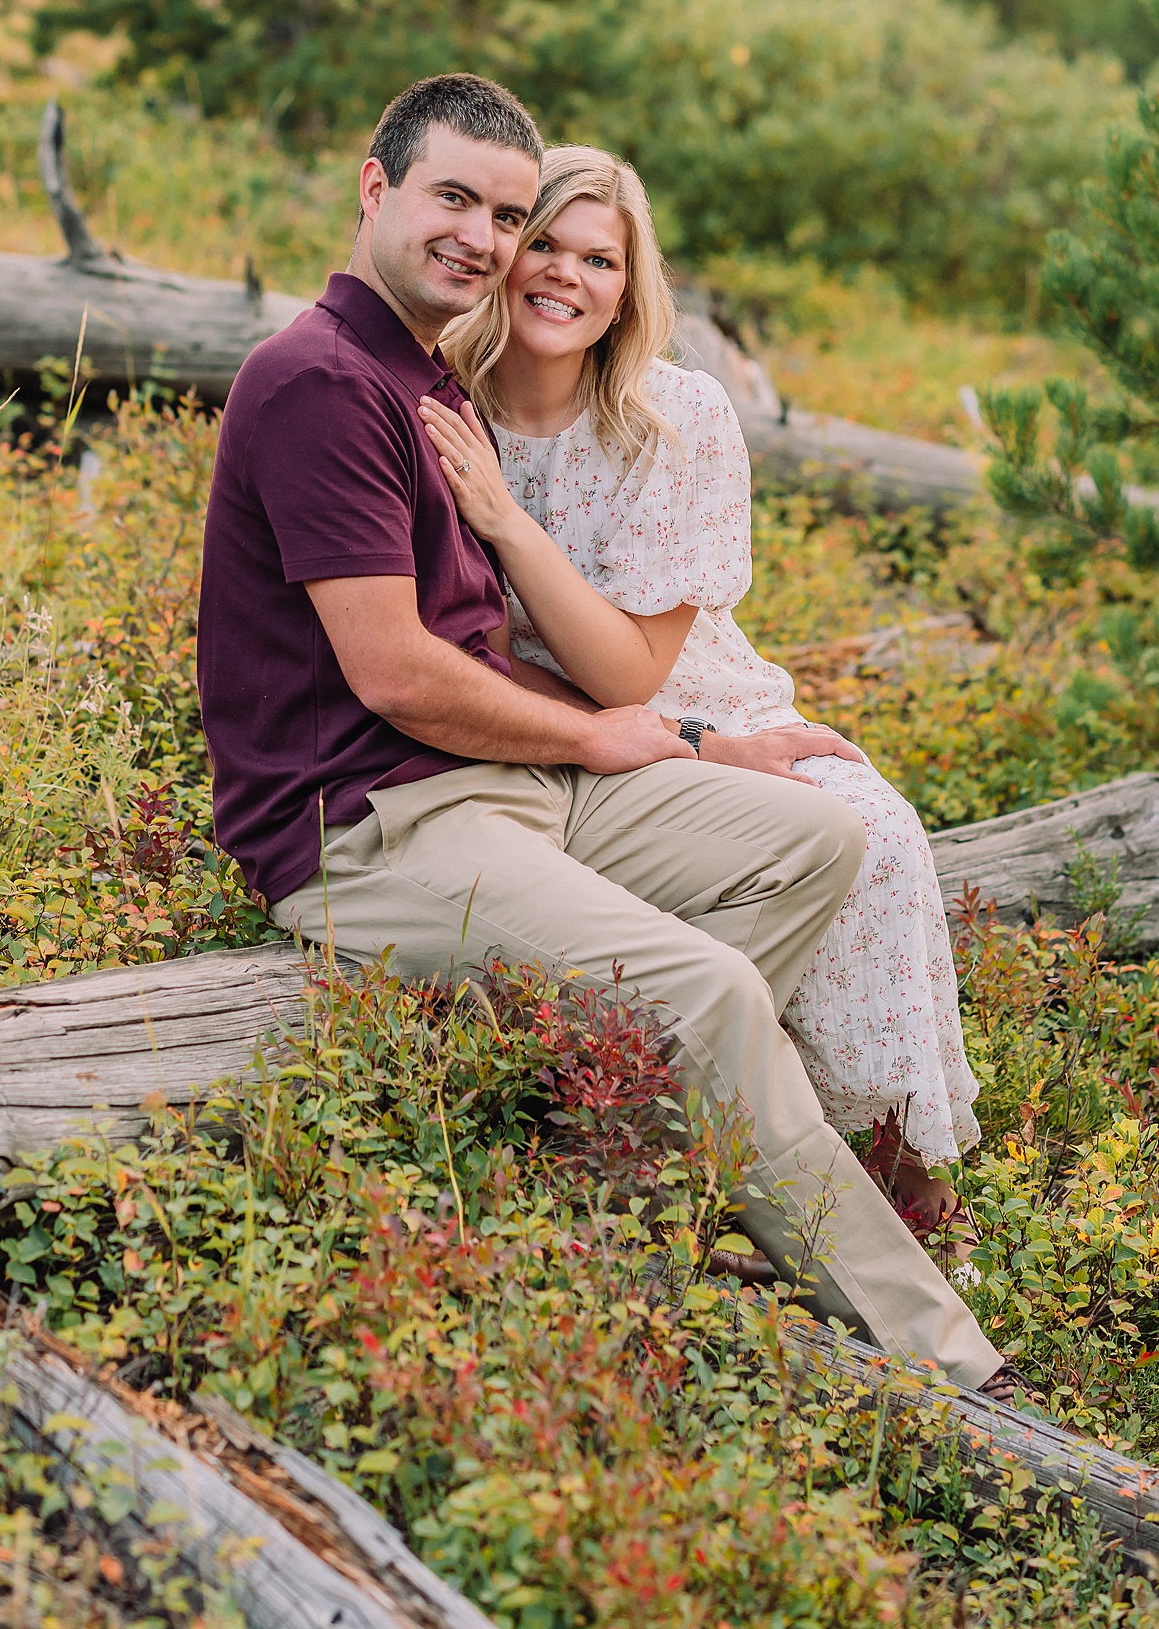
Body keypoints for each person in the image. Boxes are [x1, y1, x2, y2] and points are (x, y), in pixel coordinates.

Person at [197, 72, 1006, 1396]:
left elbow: (492, 651)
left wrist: (693, 741)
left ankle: (620, 1160)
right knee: (712, 989)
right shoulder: (319, 384)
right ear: (375, 187)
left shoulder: (425, 377)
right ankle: (941, 1359)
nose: (482, 238)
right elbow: (397, 674)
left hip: (499, 779)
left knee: (815, 839)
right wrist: (601, 742)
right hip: (374, 826)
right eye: (453, 199)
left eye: (503, 214)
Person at [432, 144, 980, 1234]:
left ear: (628, 288)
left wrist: (505, 522)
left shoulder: (676, 416)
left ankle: (900, 1182)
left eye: (600, 259)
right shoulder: (441, 407)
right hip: (535, 720)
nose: (565, 275)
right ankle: (717, 1163)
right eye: (543, 243)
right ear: (502, 251)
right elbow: (467, 647)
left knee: (871, 831)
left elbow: (630, 671)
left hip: (699, 708)